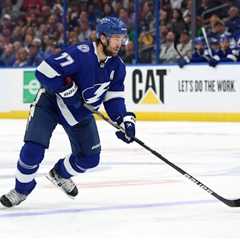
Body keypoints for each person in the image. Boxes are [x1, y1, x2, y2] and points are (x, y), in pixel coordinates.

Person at [0, 17, 136, 208]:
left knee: (90, 159)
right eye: (116, 38)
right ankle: (21, 189)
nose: (120, 43)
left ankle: (60, 174)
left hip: (79, 112)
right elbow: (43, 71)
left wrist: (124, 120)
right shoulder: (80, 54)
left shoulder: (117, 66)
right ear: (103, 38)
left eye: (123, 38)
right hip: (50, 104)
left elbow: (113, 99)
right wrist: (65, 90)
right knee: (33, 150)